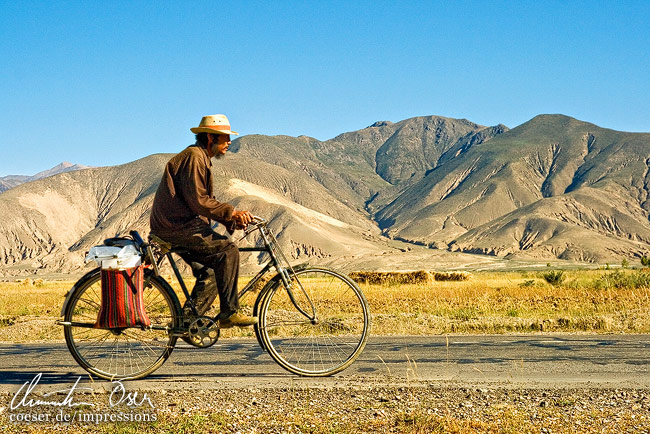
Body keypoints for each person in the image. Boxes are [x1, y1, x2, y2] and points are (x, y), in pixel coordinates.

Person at [149, 114, 257, 328]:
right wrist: (231, 213)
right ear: (210, 137)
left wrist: (230, 221)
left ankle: (188, 323)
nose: (228, 142)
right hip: (177, 226)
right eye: (225, 137)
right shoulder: (194, 158)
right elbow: (199, 201)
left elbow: (202, 201)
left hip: (177, 225)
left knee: (210, 271)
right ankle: (229, 313)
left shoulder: (199, 158)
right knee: (227, 252)